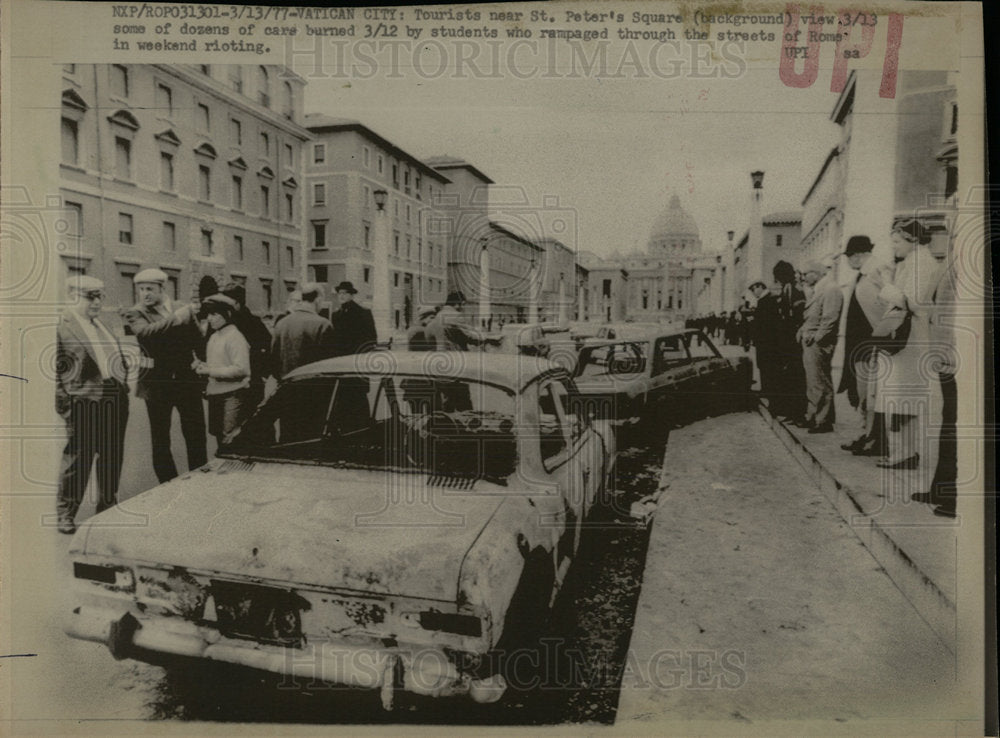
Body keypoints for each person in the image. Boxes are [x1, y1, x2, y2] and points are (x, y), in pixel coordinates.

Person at [55, 276, 131, 534]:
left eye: (100, 296)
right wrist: (67, 405)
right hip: (83, 401)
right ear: (72, 296)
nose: (97, 302)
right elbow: (50, 371)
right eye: (90, 296)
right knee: (79, 458)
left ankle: (107, 504)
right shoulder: (60, 325)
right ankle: (66, 513)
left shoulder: (103, 323)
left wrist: (123, 385)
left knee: (111, 455)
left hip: (114, 396)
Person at [121, 268, 207, 483]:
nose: (144, 294)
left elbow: (198, 339)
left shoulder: (181, 308)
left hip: (187, 380)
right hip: (157, 384)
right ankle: (168, 483)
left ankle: (200, 475)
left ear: (163, 288)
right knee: (161, 438)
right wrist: (176, 318)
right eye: (140, 289)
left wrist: (202, 362)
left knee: (195, 432)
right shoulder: (137, 313)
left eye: (149, 289)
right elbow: (145, 334)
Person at [875, 219, 940, 470]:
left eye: (896, 241)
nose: (894, 247)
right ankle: (903, 453)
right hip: (905, 339)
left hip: (910, 341)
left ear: (911, 239)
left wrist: (885, 283)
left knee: (903, 397)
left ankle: (905, 454)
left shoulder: (921, 263)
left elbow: (913, 302)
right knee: (900, 398)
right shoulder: (913, 262)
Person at [912, 248, 958, 517]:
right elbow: (929, 299)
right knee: (948, 423)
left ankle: (953, 496)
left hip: (956, 356)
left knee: (956, 425)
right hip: (945, 355)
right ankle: (942, 488)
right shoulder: (953, 257)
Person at [838, 236, 889, 455]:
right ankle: (867, 434)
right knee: (863, 393)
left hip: (872, 342)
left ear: (857, 255)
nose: (848, 262)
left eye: (849, 257)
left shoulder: (878, 269)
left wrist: (884, 336)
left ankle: (875, 440)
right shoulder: (860, 275)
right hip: (859, 344)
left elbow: (890, 304)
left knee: (872, 394)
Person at [192, 294, 252, 446]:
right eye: (208, 315)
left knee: (229, 437)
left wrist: (209, 371)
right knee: (219, 435)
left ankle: (232, 468)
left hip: (232, 395)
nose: (210, 319)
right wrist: (202, 365)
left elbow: (242, 369)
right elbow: (218, 364)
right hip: (215, 394)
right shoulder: (214, 337)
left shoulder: (235, 337)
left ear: (228, 314)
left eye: (214, 314)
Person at [798, 259, 844, 433]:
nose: (803, 278)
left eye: (805, 274)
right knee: (813, 381)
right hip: (812, 342)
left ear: (815, 273)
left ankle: (822, 420)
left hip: (819, 344)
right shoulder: (819, 289)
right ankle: (814, 415)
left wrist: (816, 338)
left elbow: (830, 318)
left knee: (820, 382)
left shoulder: (830, 289)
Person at [270, 282, 335, 378]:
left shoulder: (282, 323)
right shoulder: (323, 325)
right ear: (318, 300)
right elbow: (328, 364)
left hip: (285, 385)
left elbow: (273, 360)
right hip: (312, 387)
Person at [221, 282, 272, 407]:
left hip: (251, 380)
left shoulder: (253, 323)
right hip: (228, 380)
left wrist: (263, 374)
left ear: (237, 303)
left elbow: (269, 347)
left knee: (253, 420)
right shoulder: (221, 322)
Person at [330, 281, 378, 356]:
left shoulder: (363, 313)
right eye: (339, 293)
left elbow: (371, 338)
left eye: (345, 293)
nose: (341, 296)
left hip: (357, 356)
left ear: (352, 295)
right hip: (339, 357)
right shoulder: (335, 315)